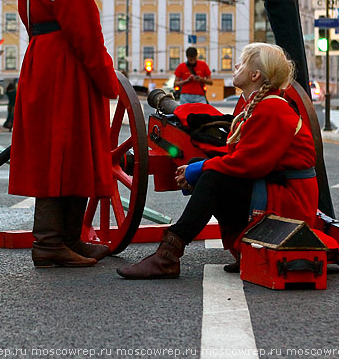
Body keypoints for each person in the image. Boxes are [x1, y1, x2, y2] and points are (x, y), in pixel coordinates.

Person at [117, 43, 318, 279]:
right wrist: (198, 167)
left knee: (213, 178)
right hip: (278, 190)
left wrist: (199, 169)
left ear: (255, 75)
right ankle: (243, 249)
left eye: (242, 63)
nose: (235, 66)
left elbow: (248, 164)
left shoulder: (273, 108)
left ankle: (168, 255)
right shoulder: (260, 105)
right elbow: (239, 158)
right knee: (209, 172)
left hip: (291, 203)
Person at [9, 0, 119, 268]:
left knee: (58, 150)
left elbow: (27, 15)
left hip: (41, 54)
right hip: (66, 62)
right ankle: (52, 243)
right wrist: (107, 80)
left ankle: (65, 240)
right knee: (68, 150)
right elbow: (85, 29)